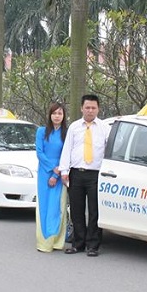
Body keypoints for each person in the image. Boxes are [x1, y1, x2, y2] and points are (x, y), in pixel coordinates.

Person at [59, 94, 110, 257]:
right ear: (81, 108)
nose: (90, 110)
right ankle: (78, 243)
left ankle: (93, 245)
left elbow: (109, 150)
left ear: (98, 109)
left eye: (93, 108)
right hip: (76, 173)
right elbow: (67, 149)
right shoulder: (74, 127)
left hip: (96, 174)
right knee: (76, 209)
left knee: (95, 210)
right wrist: (64, 171)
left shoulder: (104, 128)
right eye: (87, 107)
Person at [35, 103, 68, 252]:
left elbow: (66, 155)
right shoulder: (41, 131)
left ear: (63, 116)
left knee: (58, 206)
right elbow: (39, 153)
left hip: (60, 173)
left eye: (60, 113)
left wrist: (57, 173)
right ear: (49, 115)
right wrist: (51, 169)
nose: (57, 116)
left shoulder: (66, 133)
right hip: (44, 172)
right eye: (54, 113)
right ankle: (44, 243)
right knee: (44, 206)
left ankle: (57, 241)